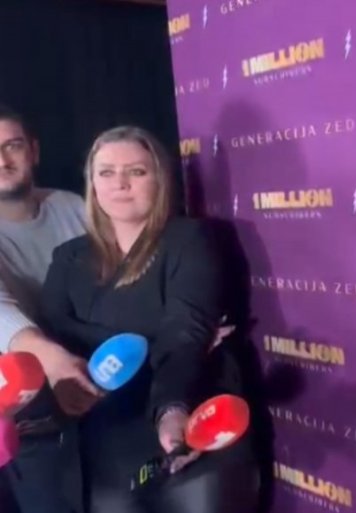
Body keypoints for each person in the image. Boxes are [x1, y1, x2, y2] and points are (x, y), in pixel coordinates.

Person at [40, 125, 258, 513]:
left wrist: (172, 411)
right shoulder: (67, 257)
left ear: (161, 179)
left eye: (136, 171)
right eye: (106, 172)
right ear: (92, 183)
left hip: (188, 413)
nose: (120, 183)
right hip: (106, 432)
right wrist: (151, 337)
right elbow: (57, 333)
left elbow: (184, 333)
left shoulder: (191, 240)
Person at [0, 104, 102, 513]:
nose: (2, 160)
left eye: (13, 146)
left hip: (93, 382)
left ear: (34, 151)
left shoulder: (72, 206)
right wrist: (51, 359)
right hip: (25, 412)